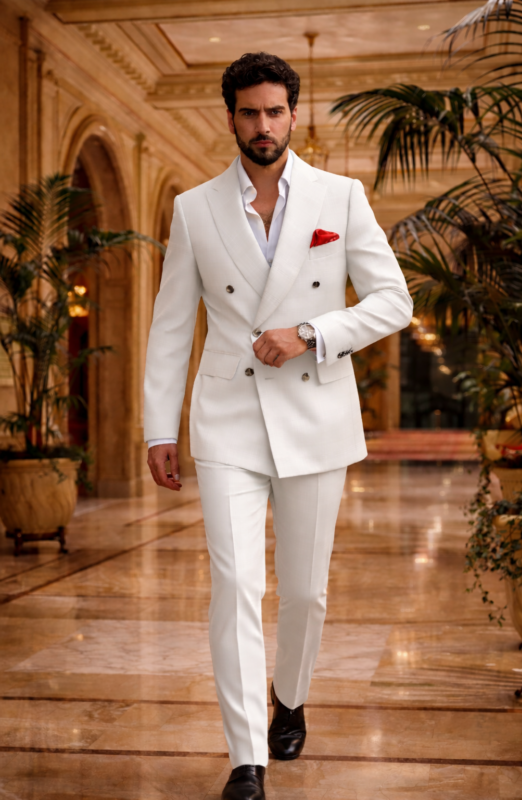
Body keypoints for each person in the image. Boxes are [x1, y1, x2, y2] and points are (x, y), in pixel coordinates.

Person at [144, 52, 413, 800]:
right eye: (247, 112)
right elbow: (171, 326)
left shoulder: (341, 195)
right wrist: (155, 429)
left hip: (314, 410)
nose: (261, 126)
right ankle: (245, 757)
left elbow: (394, 302)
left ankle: (289, 696)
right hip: (226, 414)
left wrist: (312, 331)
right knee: (233, 583)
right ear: (228, 116)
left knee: (304, 591)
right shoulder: (194, 207)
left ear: (293, 113)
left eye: (273, 111)